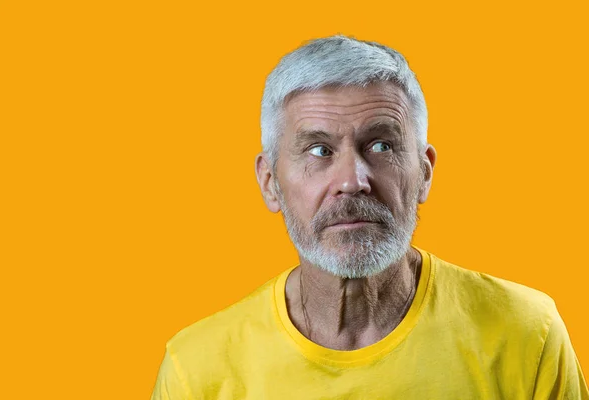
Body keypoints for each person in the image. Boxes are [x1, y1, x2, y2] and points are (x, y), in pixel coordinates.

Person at [151, 35, 588, 399]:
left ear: (424, 173)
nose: (352, 180)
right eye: (319, 151)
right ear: (270, 183)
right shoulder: (197, 371)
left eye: (381, 145)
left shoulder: (527, 336)